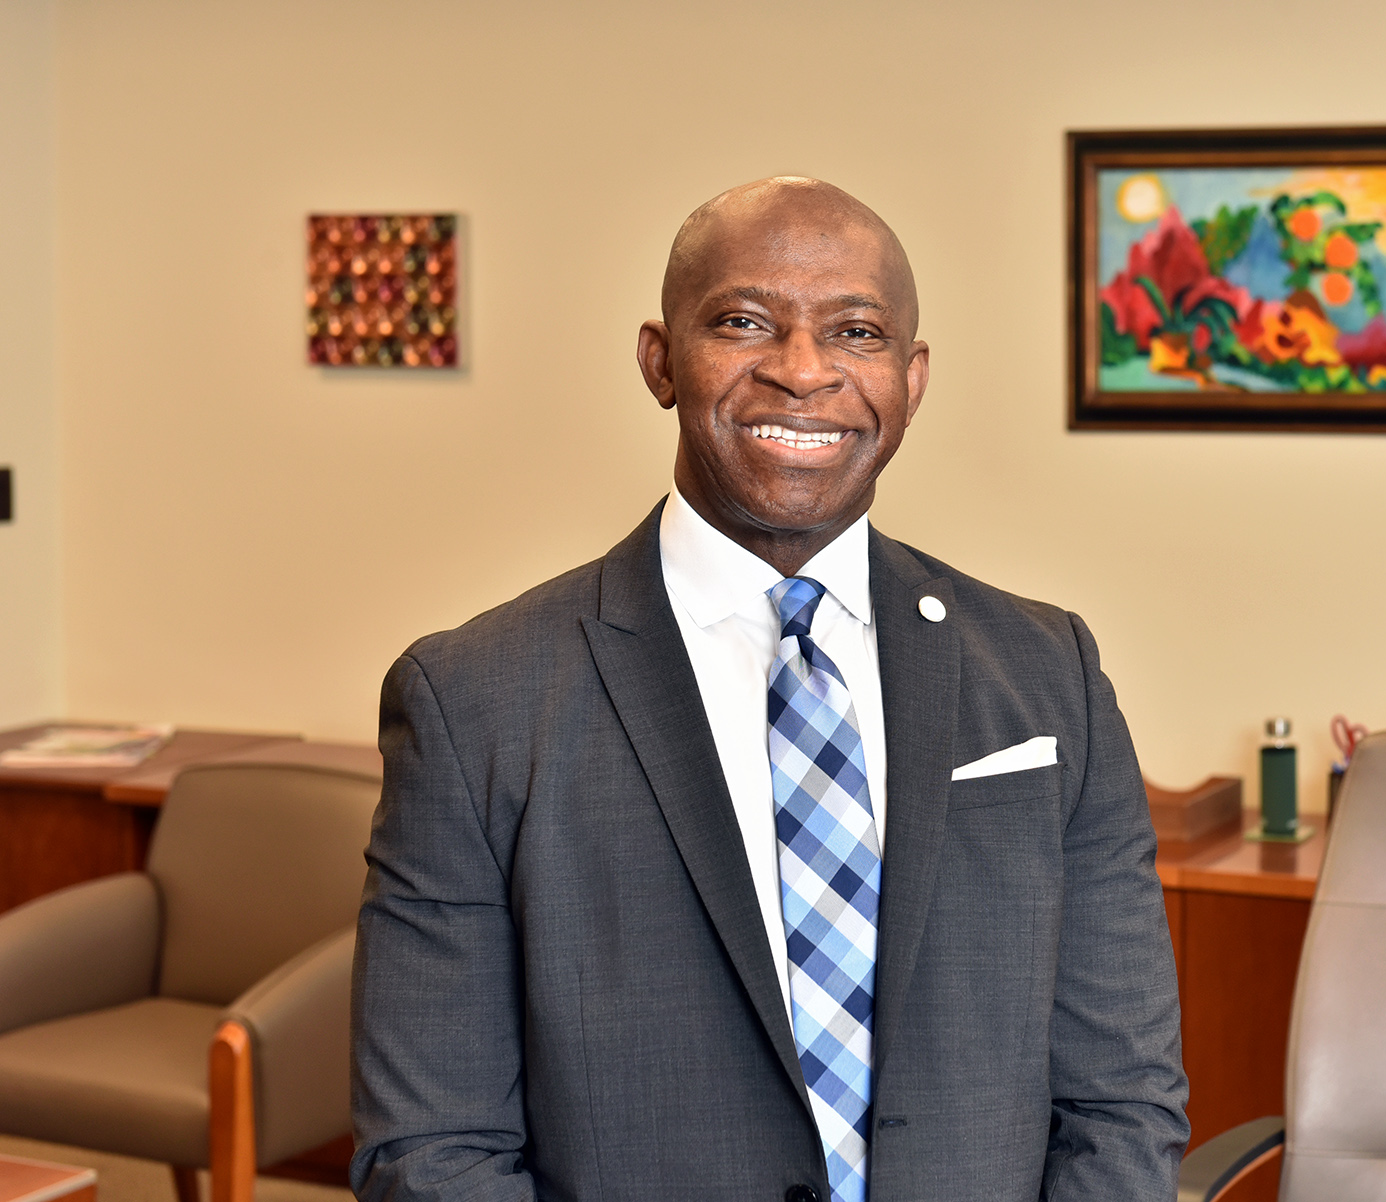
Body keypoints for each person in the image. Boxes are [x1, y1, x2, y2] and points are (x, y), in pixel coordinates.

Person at [351, 177, 1189, 1202]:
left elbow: (1124, 1098)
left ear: (910, 379)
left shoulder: (1048, 671)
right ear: (661, 361)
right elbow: (433, 1149)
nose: (803, 371)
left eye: (857, 331)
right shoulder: (475, 700)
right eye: (745, 322)